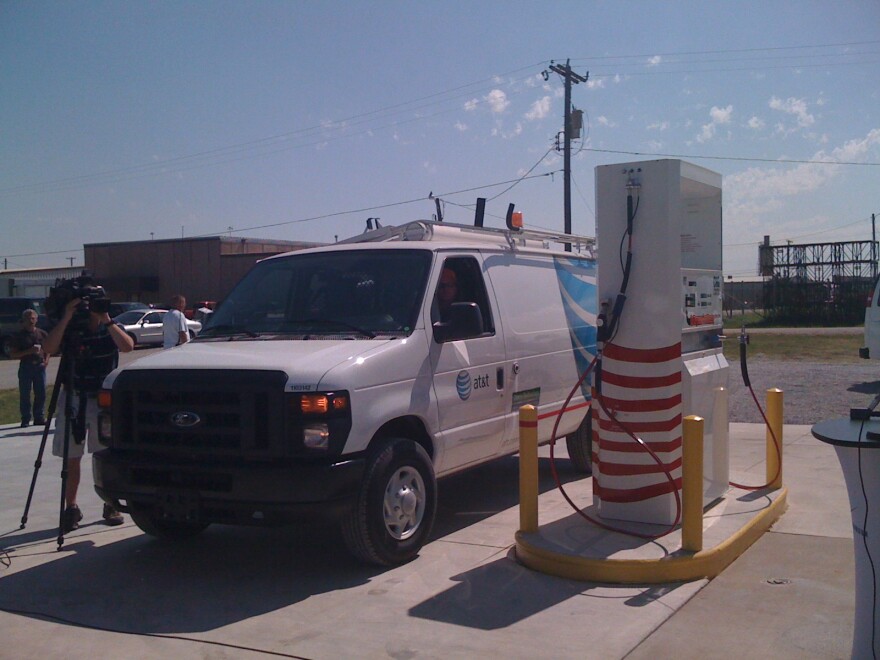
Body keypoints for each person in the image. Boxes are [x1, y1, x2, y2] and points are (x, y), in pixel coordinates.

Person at [43, 297, 134, 532]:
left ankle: (110, 503)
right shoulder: (74, 329)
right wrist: (66, 317)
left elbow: (127, 346)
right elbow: (49, 348)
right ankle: (71, 507)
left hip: (103, 400)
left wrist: (106, 320)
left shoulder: (110, 327)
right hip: (74, 396)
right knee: (71, 456)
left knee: (105, 452)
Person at [8, 309, 49, 427]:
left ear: (36, 319)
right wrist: (29, 351)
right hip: (26, 367)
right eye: (28, 319)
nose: (31, 321)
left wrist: (46, 360)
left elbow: (48, 348)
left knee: (41, 393)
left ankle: (39, 417)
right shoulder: (19, 336)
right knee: (25, 394)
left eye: (33, 318)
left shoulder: (42, 333)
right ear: (23, 321)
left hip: (39, 367)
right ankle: (25, 418)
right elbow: (13, 354)